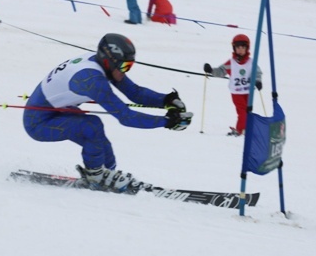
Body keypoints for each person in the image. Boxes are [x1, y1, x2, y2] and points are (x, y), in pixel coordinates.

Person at [23, 33, 193, 193]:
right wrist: (168, 121)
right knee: (92, 125)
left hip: (61, 111)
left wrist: (167, 101)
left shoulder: (104, 65)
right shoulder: (91, 78)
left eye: (130, 66)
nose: (126, 71)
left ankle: (104, 176)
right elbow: (126, 117)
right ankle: (95, 177)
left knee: (103, 148)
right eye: (125, 66)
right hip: (38, 123)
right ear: (109, 61)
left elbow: (135, 93)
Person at [203, 34, 262, 137]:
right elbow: (221, 71)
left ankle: (246, 128)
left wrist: (258, 81)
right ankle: (240, 130)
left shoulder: (251, 62)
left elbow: (257, 73)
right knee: (242, 111)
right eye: (238, 47)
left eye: (243, 47)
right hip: (237, 92)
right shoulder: (231, 63)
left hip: (248, 91)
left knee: (248, 110)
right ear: (234, 48)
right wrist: (211, 70)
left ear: (247, 48)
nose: (240, 50)